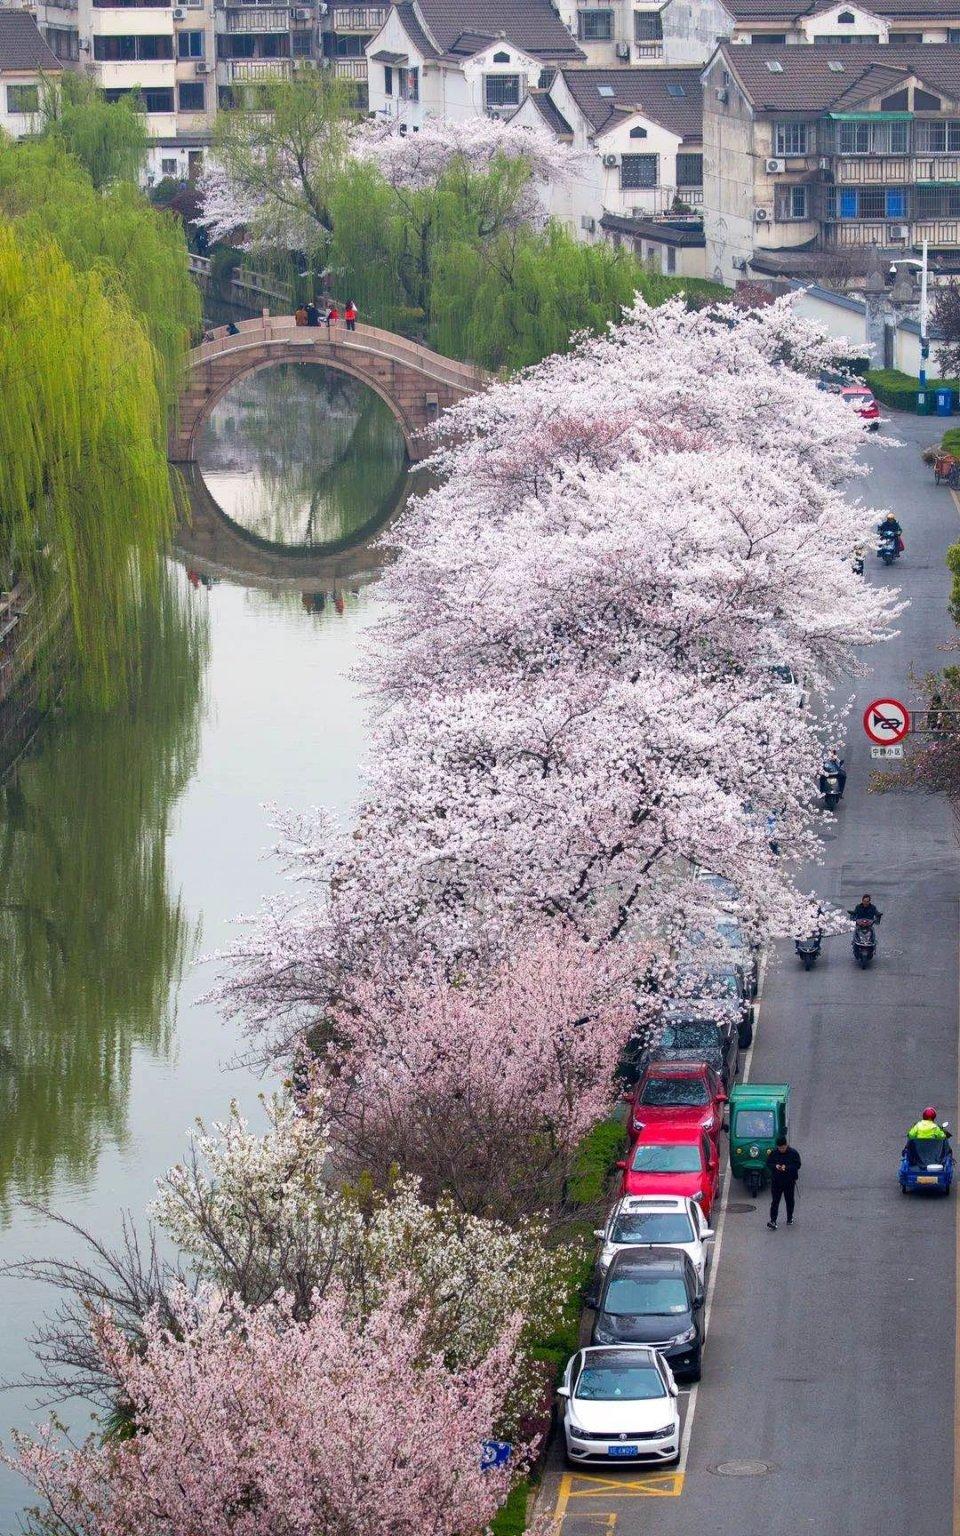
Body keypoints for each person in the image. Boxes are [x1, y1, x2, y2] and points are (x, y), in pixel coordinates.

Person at [766, 1135, 801, 1229]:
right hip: (776, 1182)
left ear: (786, 1145)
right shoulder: (774, 1153)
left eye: (783, 1147)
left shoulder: (793, 1153)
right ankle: (773, 1221)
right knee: (775, 1202)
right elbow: (768, 1163)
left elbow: (797, 1165)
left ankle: (789, 1218)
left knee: (789, 1201)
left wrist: (787, 1168)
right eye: (779, 1147)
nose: (781, 1149)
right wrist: (775, 1166)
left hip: (789, 1182)